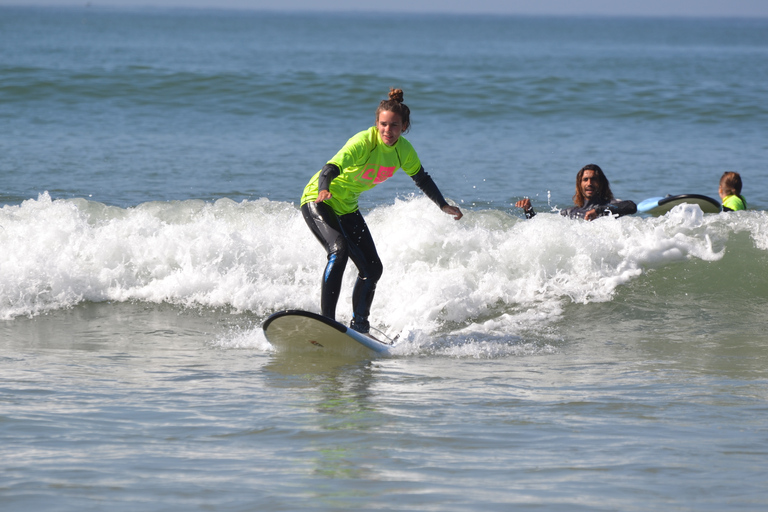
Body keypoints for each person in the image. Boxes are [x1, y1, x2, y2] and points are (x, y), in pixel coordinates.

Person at [300, 88, 463, 334]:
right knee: (339, 250)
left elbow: (422, 178)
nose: (388, 130)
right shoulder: (363, 142)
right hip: (319, 199)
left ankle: (360, 327)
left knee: (372, 269)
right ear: (376, 124)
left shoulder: (404, 151)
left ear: (404, 126)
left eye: (394, 125)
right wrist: (323, 189)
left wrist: (442, 204)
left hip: (346, 207)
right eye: (383, 125)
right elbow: (330, 167)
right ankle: (328, 322)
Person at [515, 164, 636, 220]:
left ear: (601, 183)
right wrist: (528, 210)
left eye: (593, 179)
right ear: (579, 184)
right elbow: (542, 228)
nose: (589, 183)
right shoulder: (569, 212)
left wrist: (598, 211)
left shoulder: (610, 205)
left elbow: (631, 206)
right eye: (585, 180)